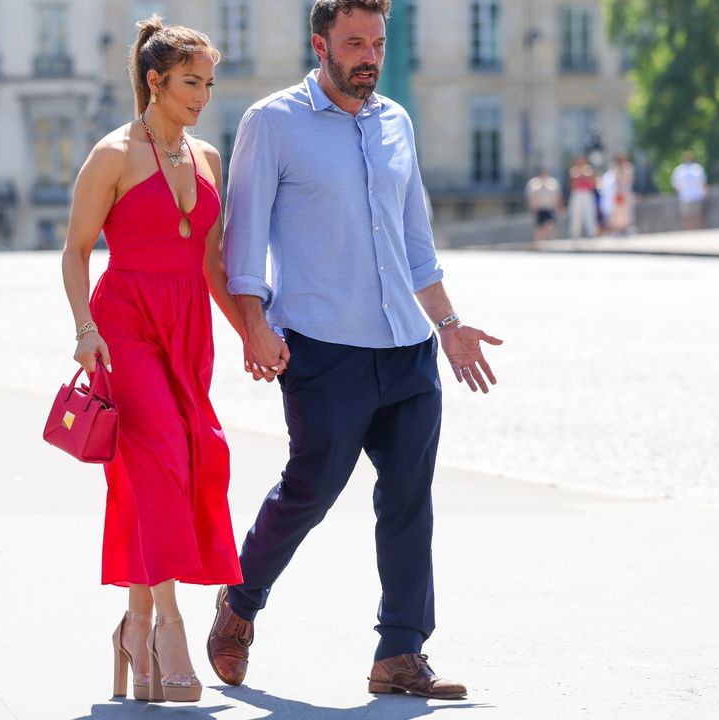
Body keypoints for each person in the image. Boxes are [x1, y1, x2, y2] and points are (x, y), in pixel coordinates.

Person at [210, 0, 501, 700]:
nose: (368, 55)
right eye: (354, 42)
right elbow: (242, 244)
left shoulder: (395, 121)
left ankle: (400, 653)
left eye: (376, 41)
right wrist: (254, 325)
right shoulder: (272, 123)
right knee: (310, 490)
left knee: (408, 499)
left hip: (406, 349)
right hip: (321, 346)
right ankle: (241, 601)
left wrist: (449, 323)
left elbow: (416, 245)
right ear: (320, 44)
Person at [60, 16, 244, 704]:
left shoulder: (208, 159)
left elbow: (212, 264)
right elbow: (75, 251)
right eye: (191, 82)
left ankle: (132, 628)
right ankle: (168, 627)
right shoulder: (112, 154)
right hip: (125, 325)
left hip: (188, 326)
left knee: (196, 458)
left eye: (208, 83)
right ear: (154, 80)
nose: (202, 95)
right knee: (163, 454)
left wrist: (253, 331)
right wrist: (83, 328)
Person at [599, 152, 635, 236]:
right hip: (616, 193)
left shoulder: (628, 168)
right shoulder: (614, 168)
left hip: (625, 192)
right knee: (616, 212)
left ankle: (625, 228)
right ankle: (616, 229)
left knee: (626, 211)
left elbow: (630, 180)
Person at [672, 150, 707, 230]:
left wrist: (704, 193)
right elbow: (676, 184)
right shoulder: (679, 170)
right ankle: (688, 231)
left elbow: (702, 182)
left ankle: (699, 230)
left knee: (698, 215)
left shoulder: (697, 168)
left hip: (697, 196)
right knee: (687, 216)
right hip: (685, 196)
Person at [525, 167, 562, 244]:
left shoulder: (553, 182)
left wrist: (558, 208)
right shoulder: (533, 183)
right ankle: (539, 244)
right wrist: (532, 208)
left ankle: (552, 243)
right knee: (540, 228)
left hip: (549, 208)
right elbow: (530, 197)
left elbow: (557, 196)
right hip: (539, 209)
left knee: (550, 225)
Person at [567, 154, 598, 240]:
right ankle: (575, 233)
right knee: (576, 213)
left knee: (589, 213)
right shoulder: (573, 170)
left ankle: (592, 232)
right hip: (577, 193)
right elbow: (574, 180)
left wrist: (585, 176)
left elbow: (592, 181)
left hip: (587, 193)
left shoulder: (588, 169)